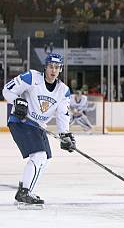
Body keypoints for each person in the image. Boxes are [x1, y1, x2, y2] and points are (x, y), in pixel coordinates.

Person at [2, 53, 76, 208]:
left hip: (38, 127)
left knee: (46, 158)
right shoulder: (32, 77)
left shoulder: (64, 91)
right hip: (21, 121)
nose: (53, 70)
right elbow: (7, 90)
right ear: (45, 67)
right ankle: (25, 193)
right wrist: (17, 101)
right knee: (39, 155)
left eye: (57, 67)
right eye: (51, 66)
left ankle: (25, 191)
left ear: (60, 69)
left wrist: (65, 135)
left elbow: (63, 115)